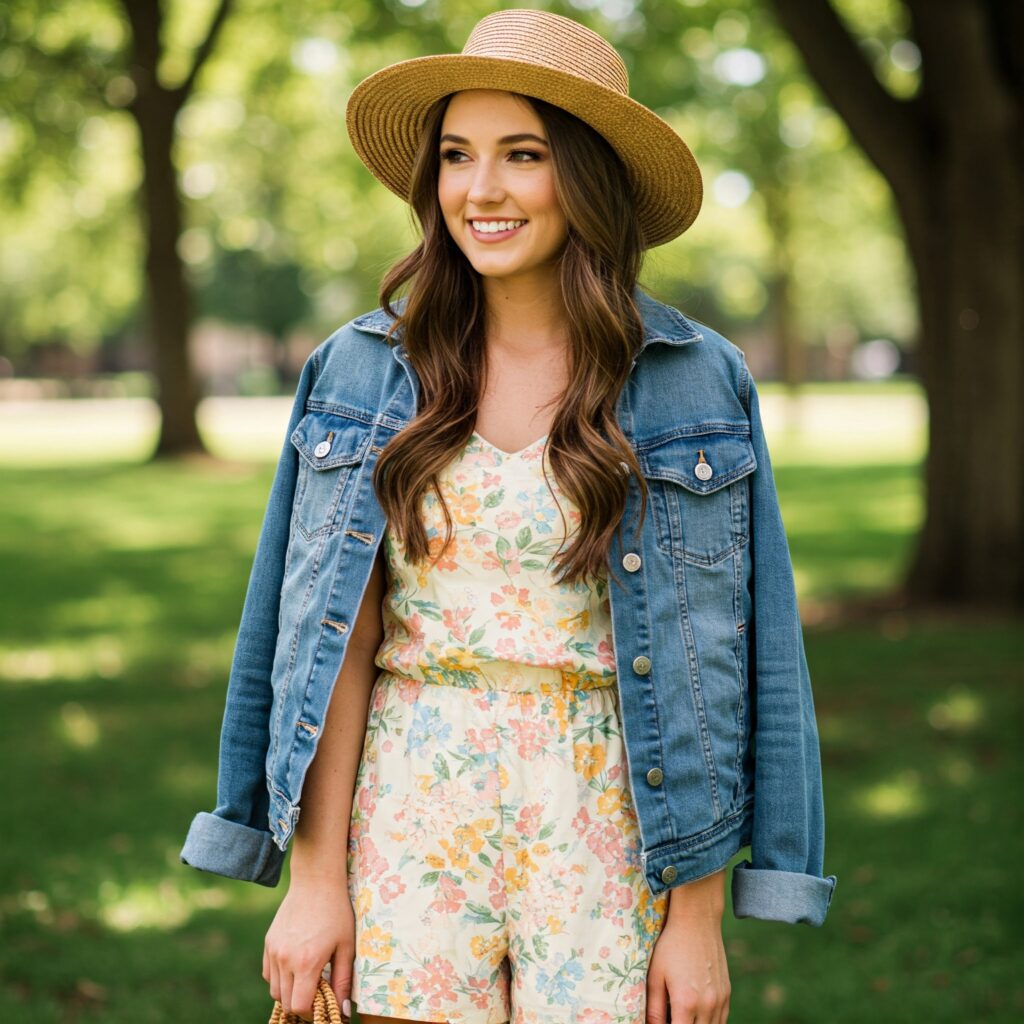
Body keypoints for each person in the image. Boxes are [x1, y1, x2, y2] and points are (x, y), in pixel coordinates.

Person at [179, 9, 837, 1024]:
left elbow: (741, 655)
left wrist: (698, 915)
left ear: (584, 175)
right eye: (455, 155)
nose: (478, 190)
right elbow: (325, 633)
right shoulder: (358, 370)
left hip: (612, 825)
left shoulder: (694, 380)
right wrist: (314, 881)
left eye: (520, 154)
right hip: (406, 809)